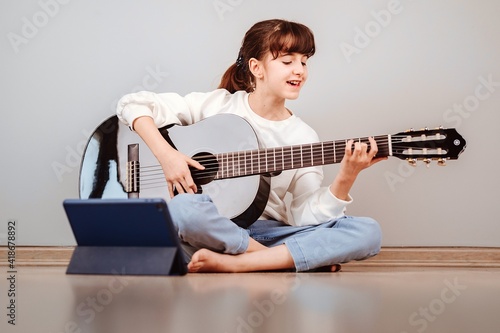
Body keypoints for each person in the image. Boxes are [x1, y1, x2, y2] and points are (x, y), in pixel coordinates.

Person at [116, 19, 386, 273]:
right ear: (257, 68)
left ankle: (240, 263)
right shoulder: (218, 105)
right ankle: (273, 260)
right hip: (209, 233)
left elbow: (304, 215)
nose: (299, 70)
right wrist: (167, 156)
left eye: (304, 62)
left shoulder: (303, 135)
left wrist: (346, 177)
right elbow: (133, 104)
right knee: (182, 209)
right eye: (288, 61)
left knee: (367, 231)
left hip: (270, 233)